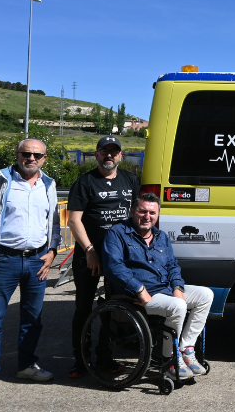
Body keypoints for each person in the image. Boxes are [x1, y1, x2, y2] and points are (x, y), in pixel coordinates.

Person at [0, 138, 62, 396]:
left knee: (33, 320)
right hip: (4, 260)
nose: (31, 158)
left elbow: (53, 222)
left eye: (37, 155)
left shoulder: (48, 184)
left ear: (44, 158)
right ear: (17, 154)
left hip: (37, 260)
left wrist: (52, 251)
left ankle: (26, 366)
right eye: (26, 153)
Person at [102, 193, 214, 379]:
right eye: (142, 211)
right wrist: (139, 289)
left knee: (206, 295)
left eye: (152, 212)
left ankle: (185, 349)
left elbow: (172, 266)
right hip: (136, 296)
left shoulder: (161, 237)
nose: (147, 216)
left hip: (164, 289)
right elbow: (114, 267)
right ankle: (169, 359)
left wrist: (178, 288)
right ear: (132, 211)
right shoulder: (117, 233)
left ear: (158, 214)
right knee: (178, 306)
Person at [67, 135, 140, 378]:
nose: (109, 155)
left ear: (120, 155)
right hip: (88, 256)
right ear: (97, 155)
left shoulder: (130, 180)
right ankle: (80, 361)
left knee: (113, 308)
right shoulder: (85, 182)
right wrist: (90, 251)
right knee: (83, 309)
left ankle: (105, 358)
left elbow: (138, 216)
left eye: (114, 151)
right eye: (104, 151)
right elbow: (74, 220)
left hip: (118, 258)